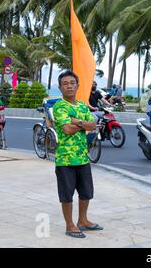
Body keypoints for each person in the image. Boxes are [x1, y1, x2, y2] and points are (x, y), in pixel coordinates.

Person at [53, 70, 103, 238]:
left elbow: (93, 125)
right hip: (65, 159)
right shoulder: (59, 106)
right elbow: (66, 129)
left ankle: (83, 220)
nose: (69, 86)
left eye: (72, 83)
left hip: (82, 156)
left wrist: (77, 121)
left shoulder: (82, 105)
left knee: (86, 191)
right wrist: (83, 124)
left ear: (77, 85)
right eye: (65, 84)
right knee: (67, 194)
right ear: (60, 88)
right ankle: (69, 225)